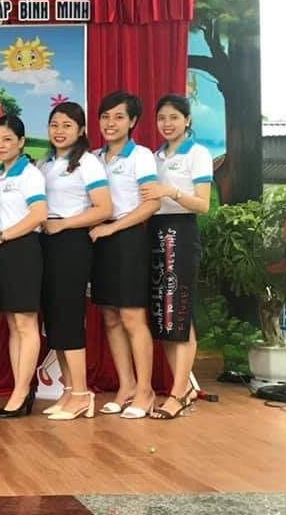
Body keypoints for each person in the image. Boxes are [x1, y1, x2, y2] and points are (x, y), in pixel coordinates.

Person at [37, 102, 113, 421]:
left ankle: (82, 394)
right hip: (46, 242)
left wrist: (65, 224)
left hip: (71, 242)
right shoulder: (44, 164)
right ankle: (68, 390)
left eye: (67, 125)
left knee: (68, 317)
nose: (59, 131)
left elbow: (104, 208)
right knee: (54, 319)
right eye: (54, 124)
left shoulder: (88, 163)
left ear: (81, 130)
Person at [90, 91, 160, 419]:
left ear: (132, 121)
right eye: (105, 117)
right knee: (110, 316)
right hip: (99, 240)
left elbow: (152, 204)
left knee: (132, 317)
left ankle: (146, 390)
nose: (110, 123)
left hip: (128, 239)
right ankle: (126, 386)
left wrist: (114, 228)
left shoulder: (141, 156)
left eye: (118, 117)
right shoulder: (93, 158)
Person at [142, 94, 212, 419]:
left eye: (174, 117)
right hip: (156, 232)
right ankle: (181, 388)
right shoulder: (155, 156)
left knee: (180, 314)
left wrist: (170, 191)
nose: (167, 124)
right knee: (165, 318)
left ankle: (178, 393)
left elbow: (203, 204)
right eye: (161, 118)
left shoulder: (197, 154)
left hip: (181, 232)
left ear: (187, 120)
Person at [0, 115, 48, 419]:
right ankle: (21, 387)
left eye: (7, 139)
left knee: (26, 324)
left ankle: (21, 391)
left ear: (21, 142)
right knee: (13, 324)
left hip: (23, 249)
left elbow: (39, 214)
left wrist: (2, 236)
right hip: (3, 251)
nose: (0, 145)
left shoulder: (30, 174)